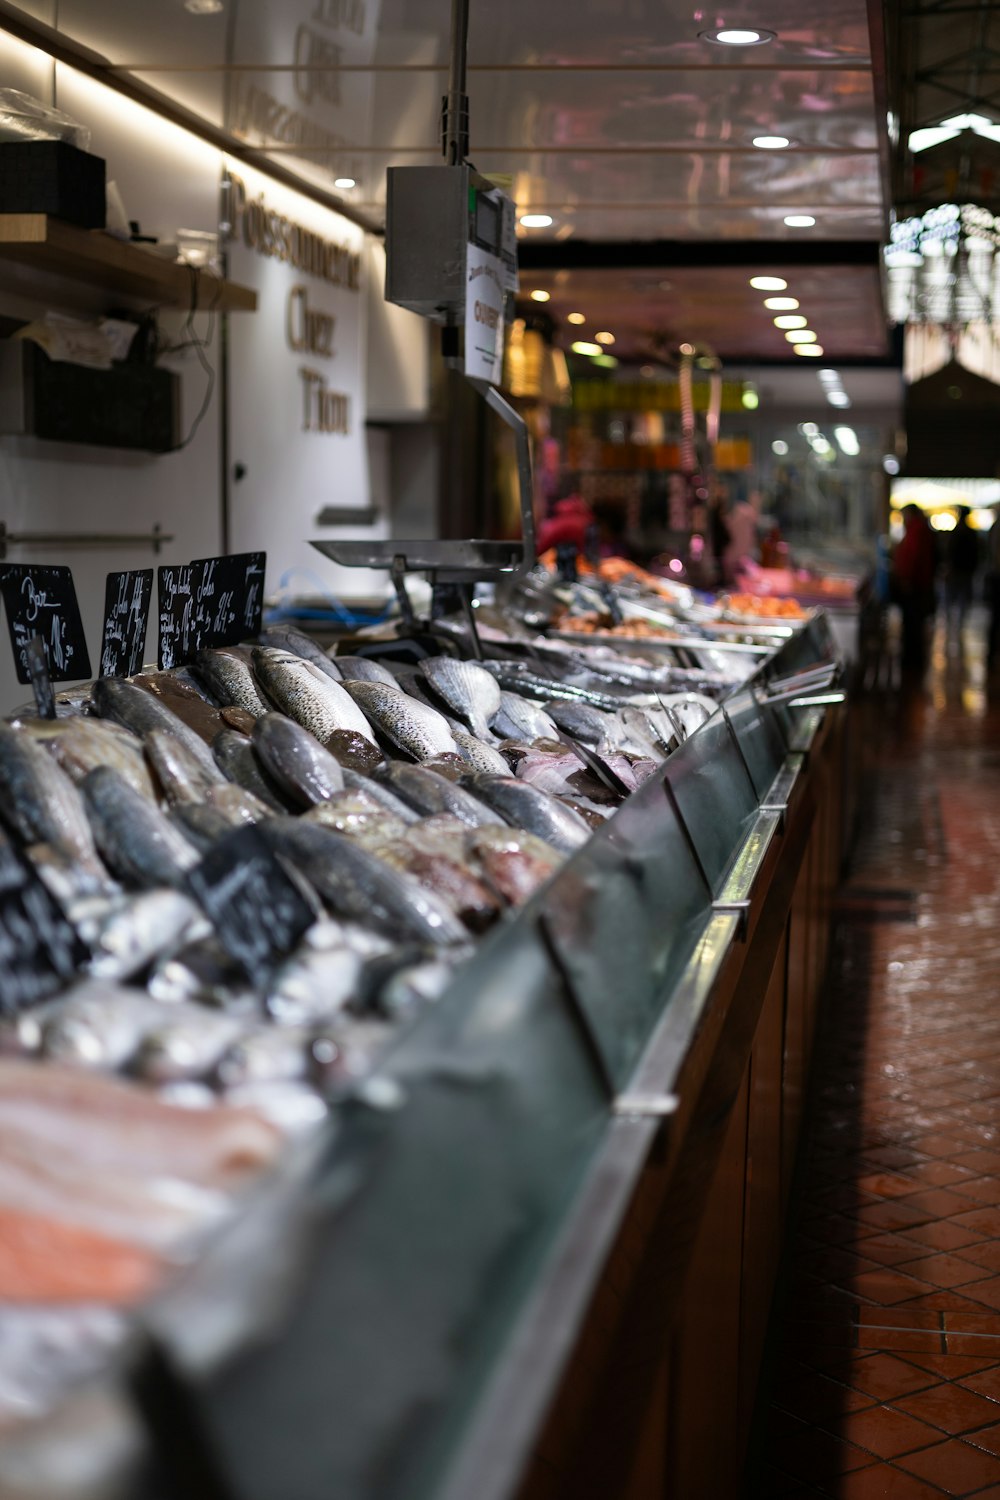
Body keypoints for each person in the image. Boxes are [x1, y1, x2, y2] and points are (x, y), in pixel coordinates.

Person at [892, 504, 937, 675]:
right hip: (919, 583)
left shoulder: (916, 530)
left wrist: (905, 579)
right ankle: (914, 660)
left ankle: (912, 662)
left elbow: (912, 557)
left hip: (914, 585)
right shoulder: (921, 529)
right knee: (914, 623)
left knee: (912, 624)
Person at [943, 506, 978, 632]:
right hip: (965, 571)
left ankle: (952, 625)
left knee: (952, 600)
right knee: (961, 600)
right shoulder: (970, 532)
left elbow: (950, 552)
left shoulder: (957, 532)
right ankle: (957, 626)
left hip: (958, 571)